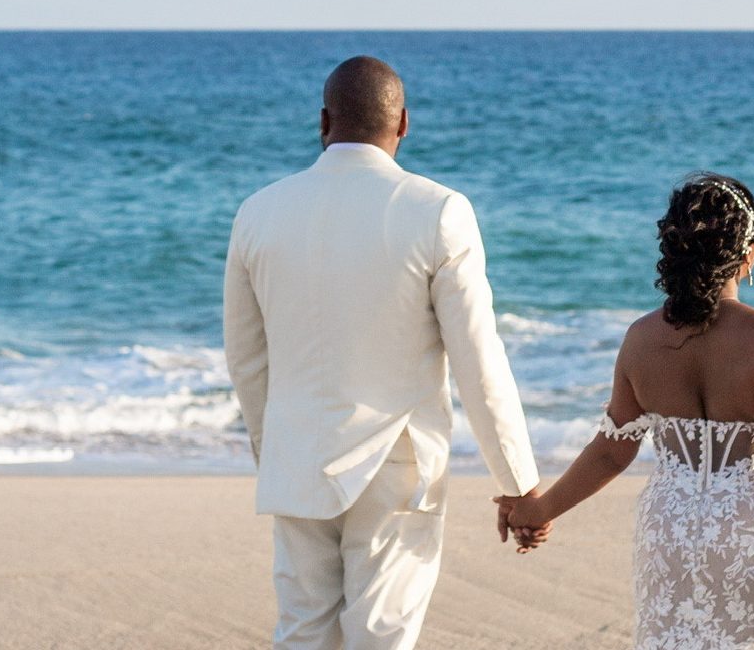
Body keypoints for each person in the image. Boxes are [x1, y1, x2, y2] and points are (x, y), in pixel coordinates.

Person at [223, 56, 547, 650]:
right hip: (397, 462)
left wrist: (276, 452)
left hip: (296, 455)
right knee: (380, 638)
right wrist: (518, 482)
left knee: (302, 632)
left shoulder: (258, 213)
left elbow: (246, 358)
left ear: (323, 121)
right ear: (403, 125)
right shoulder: (439, 211)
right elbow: (478, 357)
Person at [501, 173, 754, 649]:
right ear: (748, 254)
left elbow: (610, 453)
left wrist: (538, 509)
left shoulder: (641, 338)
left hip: (669, 533)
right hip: (747, 536)